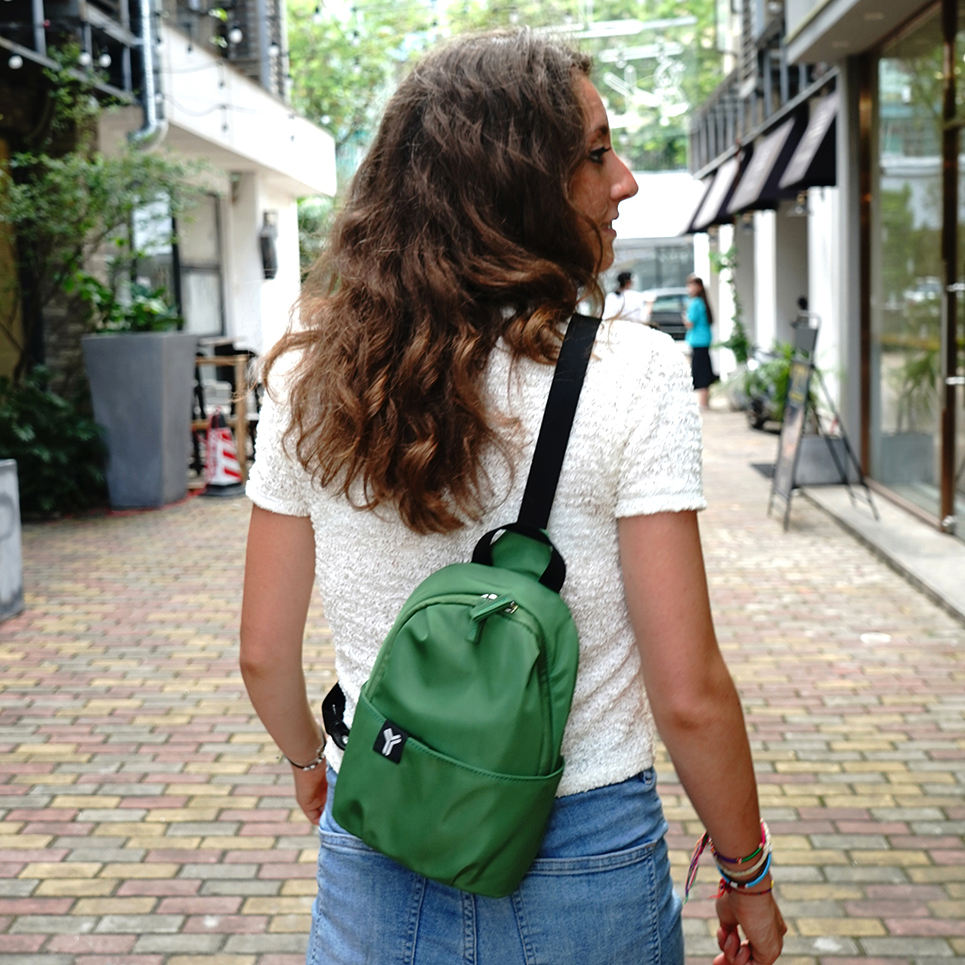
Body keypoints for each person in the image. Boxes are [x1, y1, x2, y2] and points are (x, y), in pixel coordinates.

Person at [240, 28, 785, 965]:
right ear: (514, 185)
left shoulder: (315, 371)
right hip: (584, 850)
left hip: (382, 824)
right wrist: (745, 871)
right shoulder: (634, 371)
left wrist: (306, 763)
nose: (626, 183)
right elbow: (687, 692)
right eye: (596, 152)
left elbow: (260, 652)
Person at [684, 273, 718, 410]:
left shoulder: (695, 303)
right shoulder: (703, 302)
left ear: (697, 287)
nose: (688, 289)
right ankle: (705, 402)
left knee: (700, 372)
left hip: (698, 341)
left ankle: (703, 403)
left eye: (690, 285)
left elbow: (690, 323)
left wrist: (684, 318)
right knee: (704, 370)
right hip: (704, 340)